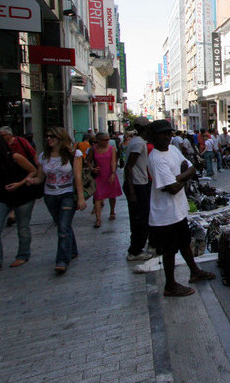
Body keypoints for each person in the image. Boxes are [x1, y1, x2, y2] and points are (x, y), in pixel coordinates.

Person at [146, 119, 216, 297]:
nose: (168, 137)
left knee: (184, 243)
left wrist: (179, 176)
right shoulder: (155, 159)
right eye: (164, 134)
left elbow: (188, 166)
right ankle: (170, 285)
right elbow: (173, 187)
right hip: (165, 214)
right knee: (169, 250)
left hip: (178, 209)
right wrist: (185, 175)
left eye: (169, 133)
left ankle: (194, 271)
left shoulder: (173, 150)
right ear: (154, 137)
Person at [27, 127, 87, 274]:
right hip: (50, 195)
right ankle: (71, 250)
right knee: (62, 225)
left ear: (60, 138)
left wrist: (80, 198)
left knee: (63, 227)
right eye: (47, 136)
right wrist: (31, 181)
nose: (48, 139)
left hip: (67, 194)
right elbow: (41, 177)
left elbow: (77, 177)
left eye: (52, 136)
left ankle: (62, 260)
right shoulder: (44, 156)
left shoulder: (74, 154)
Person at [0, 132, 38, 276]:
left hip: (22, 196)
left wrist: (19, 184)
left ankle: (23, 254)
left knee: (23, 227)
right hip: (1, 198)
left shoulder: (14, 157)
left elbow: (33, 171)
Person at [123, 117, 154, 262]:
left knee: (140, 219)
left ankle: (136, 248)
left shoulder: (136, 141)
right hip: (137, 185)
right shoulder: (139, 143)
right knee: (140, 220)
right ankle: (135, 251)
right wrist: (132, 192)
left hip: (139, 184)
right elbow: (129, 167)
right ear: (145, 129)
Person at [89, 131, 123, 228]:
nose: (107, 141)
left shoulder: (112, 149)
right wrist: (92, 169)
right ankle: (98, 219)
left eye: (108, 139)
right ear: (98, 140)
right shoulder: (93, 150)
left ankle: (112, 211)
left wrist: (113, 172)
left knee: (112, 195)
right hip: (99, 176)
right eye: (105, 140)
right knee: (98, 196)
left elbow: (113, 161)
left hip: (109, 174)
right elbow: (88, 162)